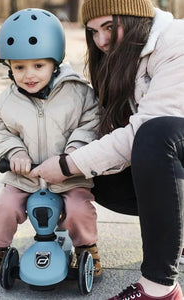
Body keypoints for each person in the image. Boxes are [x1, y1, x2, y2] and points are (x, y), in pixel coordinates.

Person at [29, 0, 184, 299]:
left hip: (171, 140)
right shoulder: (124, 57)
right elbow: (108, 135)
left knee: (155, 134)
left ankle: (159, 287)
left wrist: (67, 165)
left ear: (135, 17)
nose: (101, 41)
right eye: (93, 32)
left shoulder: (176, 41)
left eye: (110, 27)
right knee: (98, 178)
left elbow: (147, 131)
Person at [0, 8, 102, 286]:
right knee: (3, 206)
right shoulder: (8, 100)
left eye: (38, 66)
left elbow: (92, 122)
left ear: (55, 62)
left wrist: (74, 152)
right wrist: (13, 152)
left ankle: (87, 248)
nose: (28, 75)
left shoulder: (78, 92)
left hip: (68, 177)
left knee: (79, 209)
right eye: (19, 67)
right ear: (9, 67)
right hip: (24, 178)